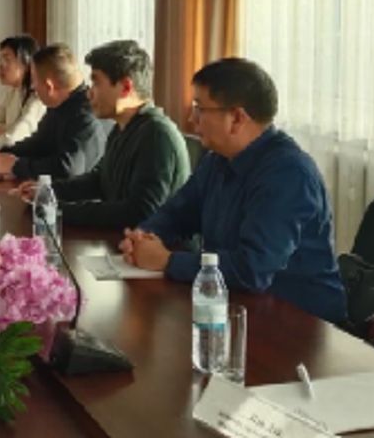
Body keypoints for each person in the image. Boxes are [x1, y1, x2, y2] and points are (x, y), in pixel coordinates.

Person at [119, 58, 347, 324]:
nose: (191, 119)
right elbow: (178, 213)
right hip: (237, 306)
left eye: (200, 109)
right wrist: (143, 237)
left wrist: (168, 261)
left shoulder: (288, 174)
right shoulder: (218, 159)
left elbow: (252, 269)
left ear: (237, 118)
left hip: (302, 323)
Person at [17, 40, 189, 229]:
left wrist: (59, 211)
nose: (89, 93)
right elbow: (99, 181)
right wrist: (48, 191)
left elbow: (139, 212)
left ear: (125, 88)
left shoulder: (156, 135)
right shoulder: (122, 128)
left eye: (96, 82)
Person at [0, 43, 103, 182]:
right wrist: (2, 155)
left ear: (49, 86)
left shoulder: (86, 116)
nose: (32, 87)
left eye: (34, 81)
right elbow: (38, 144)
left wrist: (16, 166)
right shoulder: (60, 106)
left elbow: (67, 169)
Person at [0, 34, 46, 150]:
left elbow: (11, 140)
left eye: (7, 60)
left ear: (26, 64)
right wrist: (2, 129)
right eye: (0, 60)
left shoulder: (38, 97)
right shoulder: (12, 92)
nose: (0, 65)